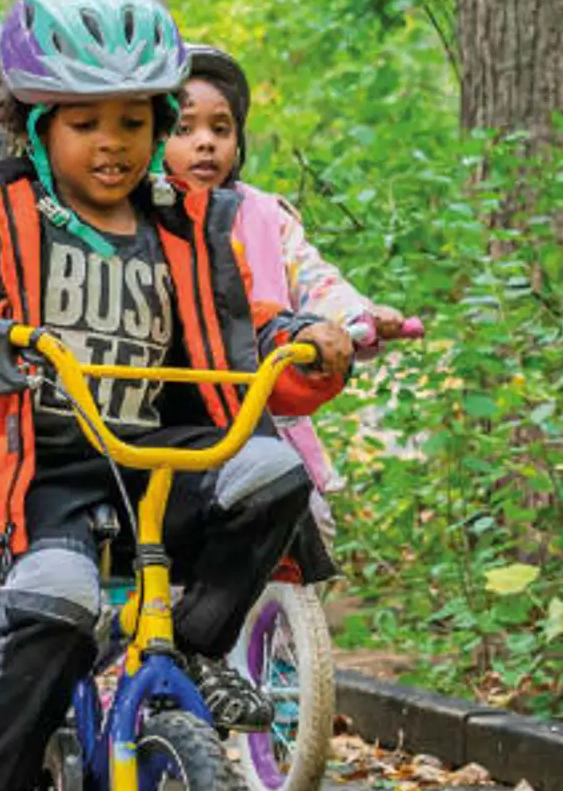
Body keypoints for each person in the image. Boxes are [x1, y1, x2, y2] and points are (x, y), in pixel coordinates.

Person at [0, 0, 356, 791]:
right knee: (55, 592)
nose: (114, 145)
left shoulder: (186, 225)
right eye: (86, 122)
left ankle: (199, 651)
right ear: (35, 123)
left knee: (266, 472)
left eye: (135, 124)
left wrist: (303, 340)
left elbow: (240, 328)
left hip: (160, 460)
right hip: (47, 469)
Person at [165, 44, 414, 565]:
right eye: (183, 129)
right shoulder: (140, 215)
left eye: (221, 128)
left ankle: (284, 641)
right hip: (174, 412)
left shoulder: (265, 215)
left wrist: (358, 318)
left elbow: (315, 280)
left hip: (265, 406)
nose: (205, 143)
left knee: (310, 525)